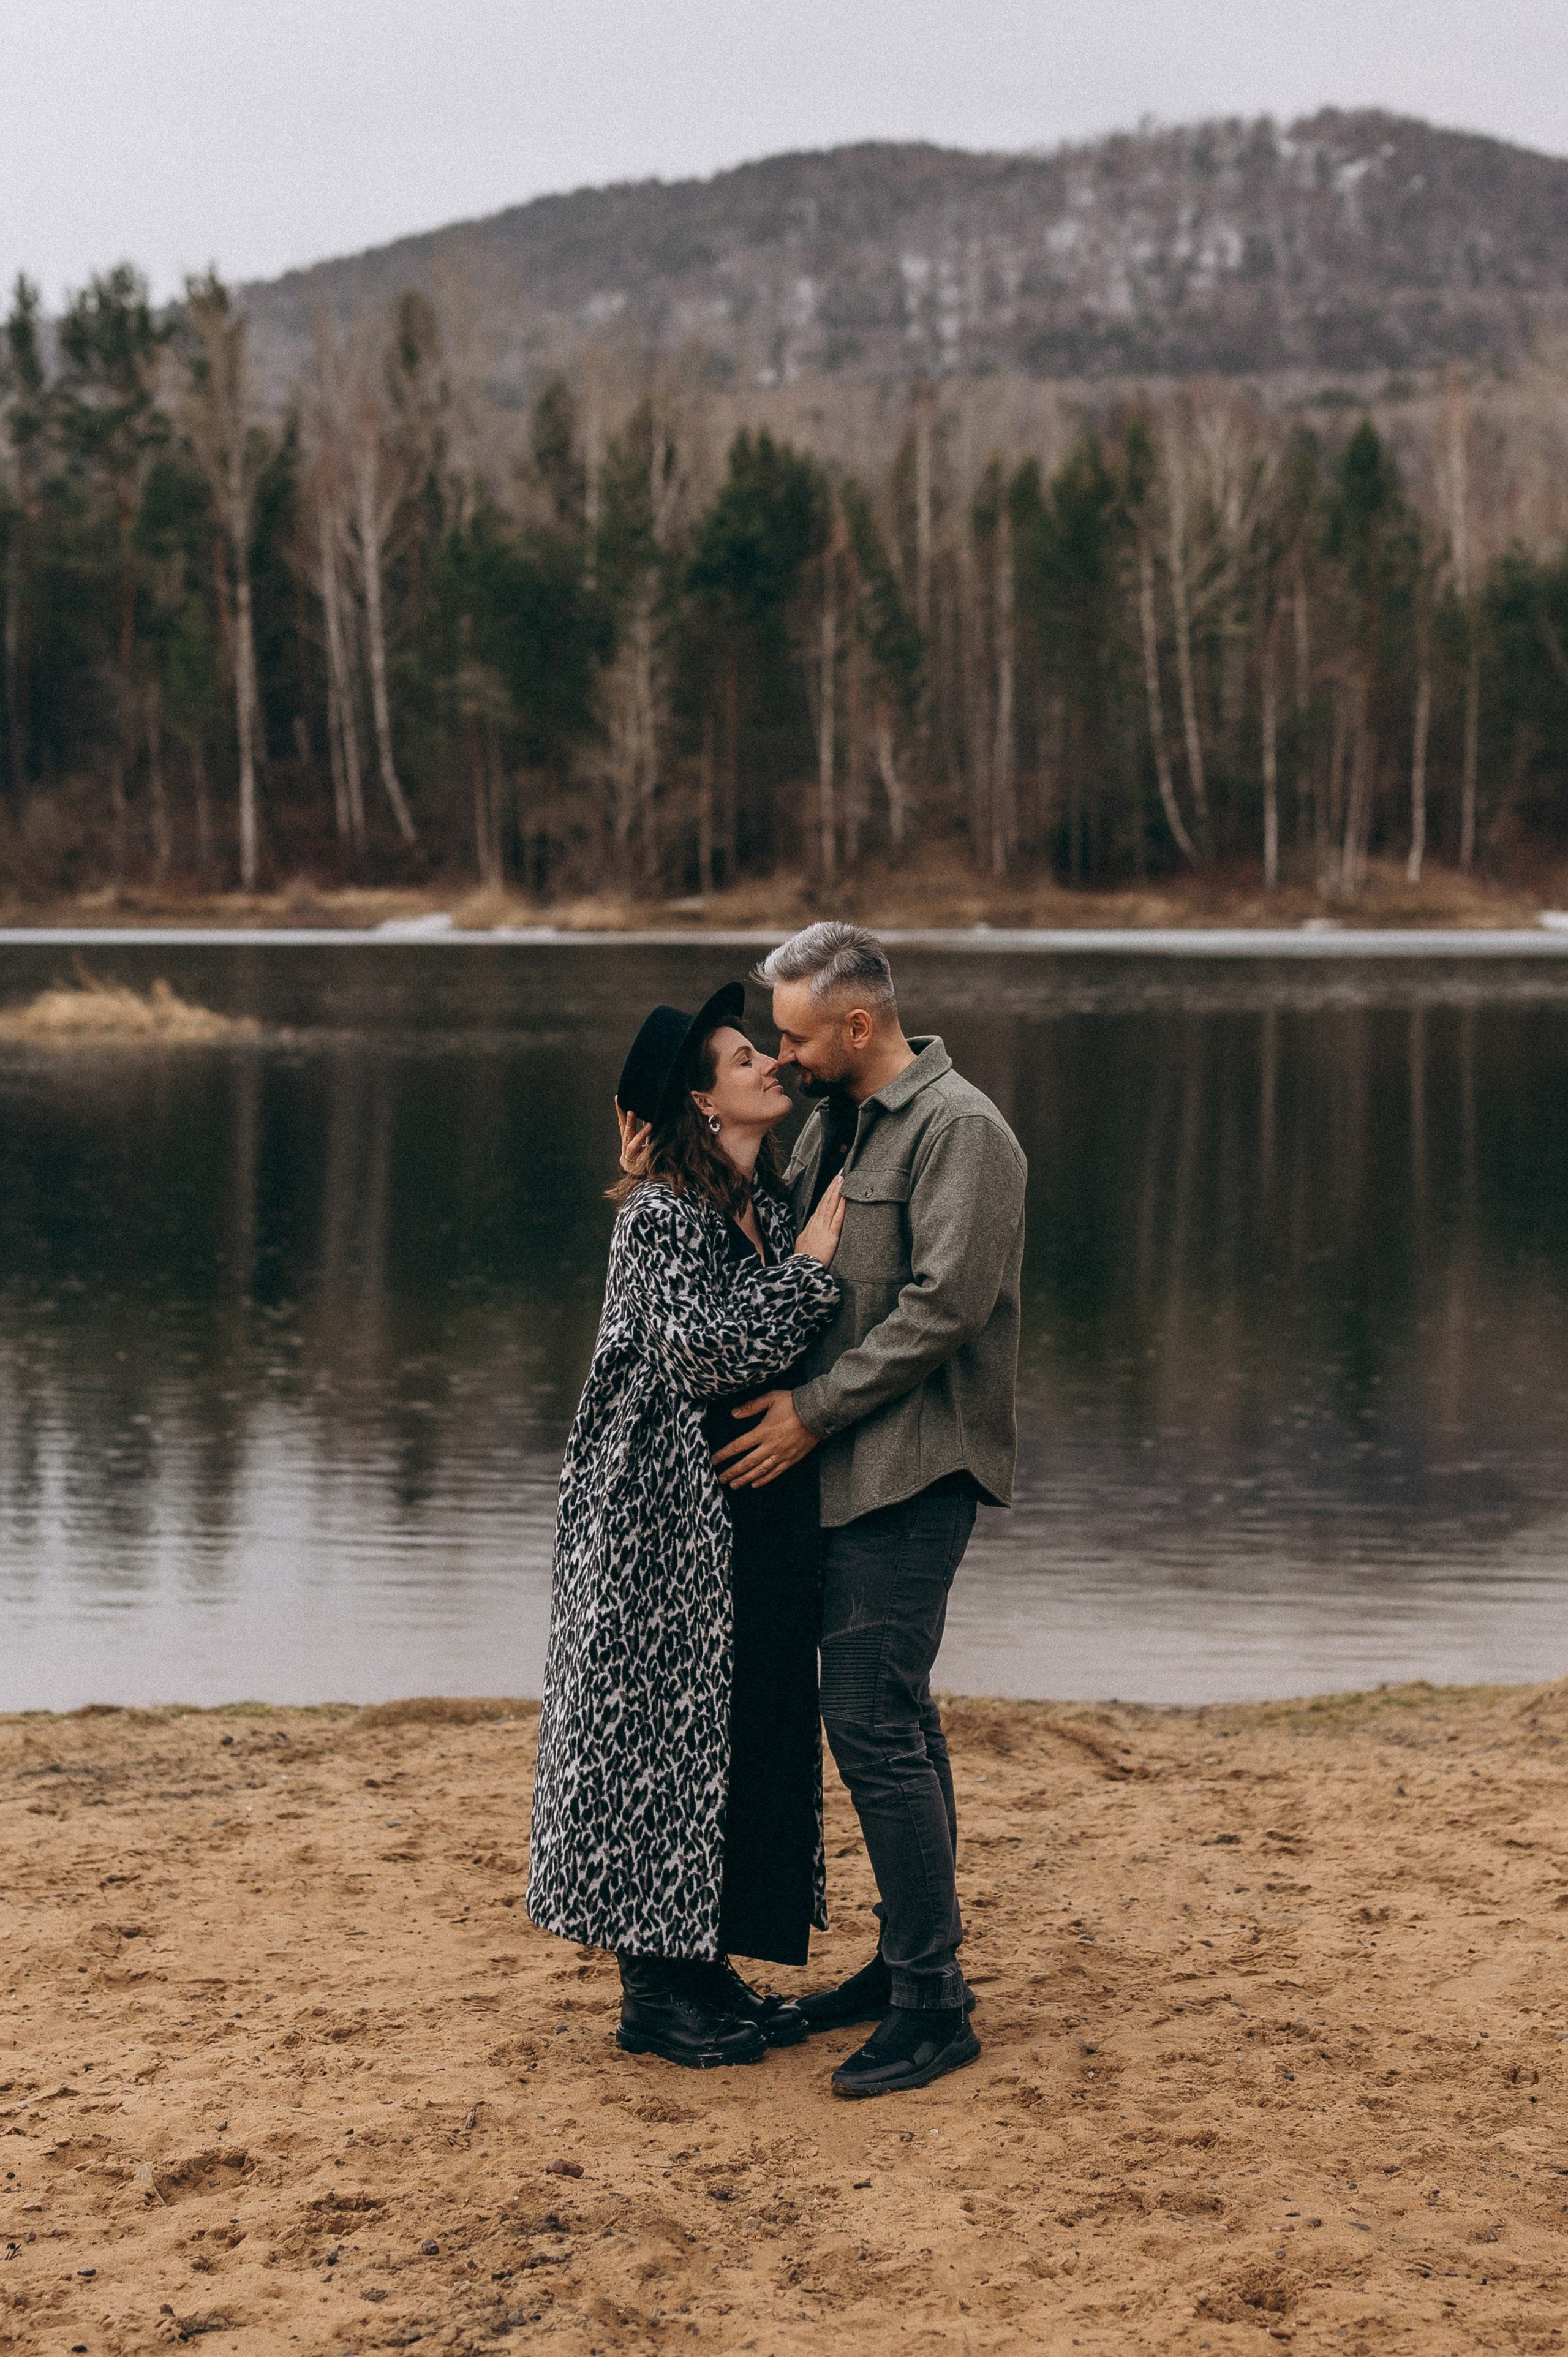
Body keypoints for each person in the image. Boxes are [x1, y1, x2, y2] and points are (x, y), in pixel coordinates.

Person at [713, 922, 1027, 2099]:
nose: (781, 1058)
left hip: (914, 1470)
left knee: (871, 1720)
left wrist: (808, 1413)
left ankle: (935, 2009)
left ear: (857, 1024)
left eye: (794, 1035)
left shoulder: (965, 1134)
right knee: (897, 1716)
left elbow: (945, 1309)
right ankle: (910, 1969)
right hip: (846, 1475)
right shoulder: (835, 1128)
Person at [526, 983, 846, 2069]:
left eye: (767, 1049)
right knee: (651, 1750)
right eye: (743, 1056)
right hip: (651, 1529)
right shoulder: (662, 1215)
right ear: (702, 1104)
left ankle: (699, 1965)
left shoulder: (753, 1199)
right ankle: (653, 1998)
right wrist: (812, 1271)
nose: (769, 1064)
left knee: (721, 1741)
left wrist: (794, 1244)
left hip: (727, 1520)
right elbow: (704, 1354)